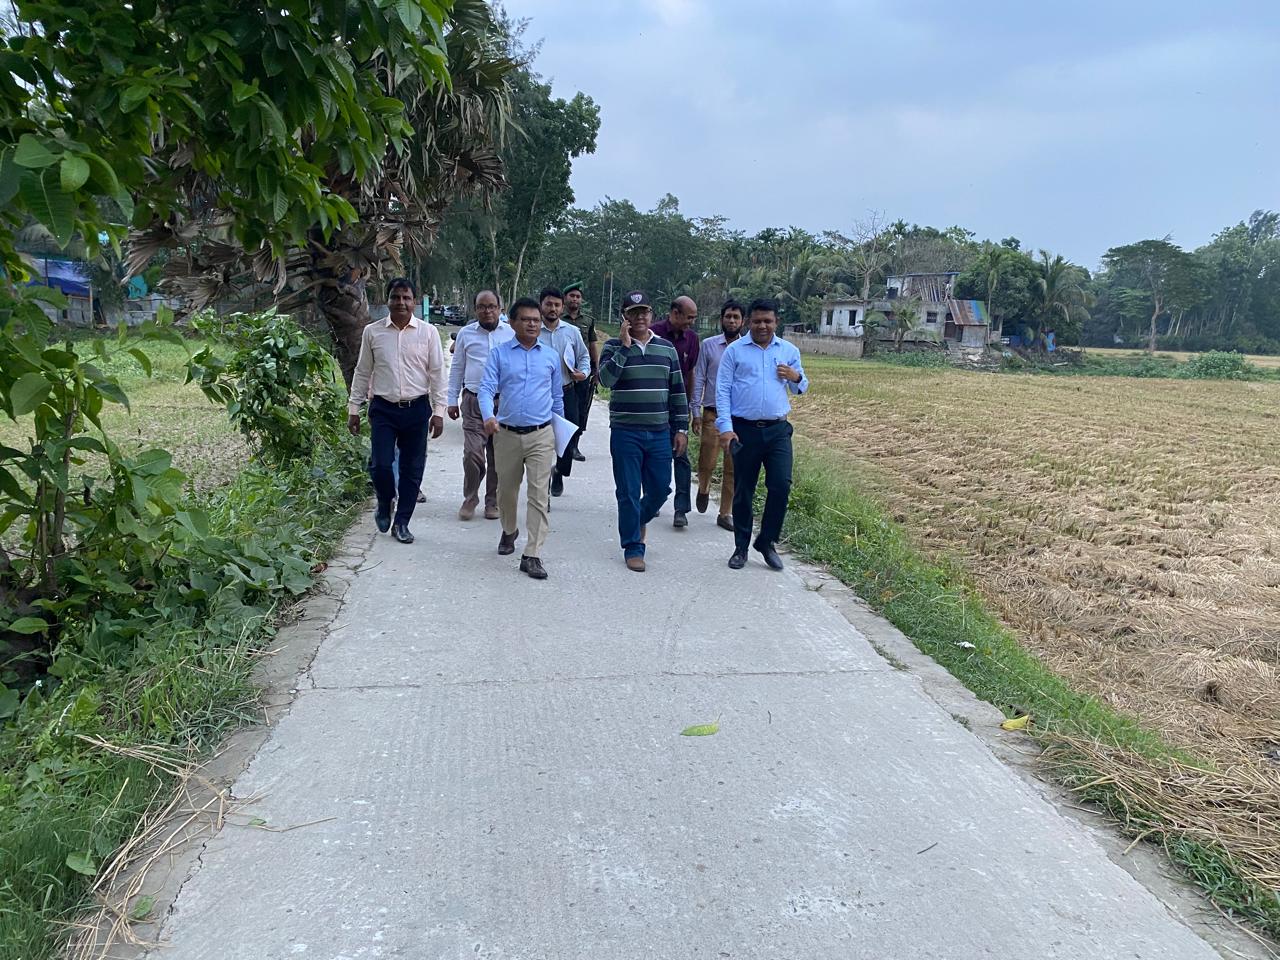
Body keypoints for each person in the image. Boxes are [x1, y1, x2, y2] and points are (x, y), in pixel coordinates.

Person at [347, 277, 446, 544]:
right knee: (380, 464)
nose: (401, 302)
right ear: (387, 300)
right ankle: (384, 501)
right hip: (383, 409)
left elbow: (437, 373)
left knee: (412, 469)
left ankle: (402, 523)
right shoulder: (373, 332)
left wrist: (438, 411)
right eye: (395, 297)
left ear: (414, 302)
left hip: (417, 409)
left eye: (406, 298)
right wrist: (354, 407)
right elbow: (362, 371)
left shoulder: (428, 333)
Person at [598, 291, 689, 573]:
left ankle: (636, 519)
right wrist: (625, 348)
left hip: (660, 431)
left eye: (644, 312)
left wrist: (681, 428)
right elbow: (605, 381)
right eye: (633, 312)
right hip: (625, 432)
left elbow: (677, 391)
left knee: (661, 488)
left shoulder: (666, 349)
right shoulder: (612, 346)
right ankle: (634, 547)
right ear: (623, 317)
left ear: (651, 315)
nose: (639, 317)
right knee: (627, 491)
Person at [715, 297, 808, 571]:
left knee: (781, 485)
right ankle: (741, 547)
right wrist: (726, 428)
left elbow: (800, 388)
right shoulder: (735, 351)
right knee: (743, 489)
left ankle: (766, 541)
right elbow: (722, 390)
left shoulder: (789, 350)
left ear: (776, 322)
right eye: (757, 321)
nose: (762, 326)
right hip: (744, 430)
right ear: (748, 322)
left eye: (768, 321)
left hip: (778, 430)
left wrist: (795, 377)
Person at [478, 298, 564, 580]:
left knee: (539, 494)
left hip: (541, 434)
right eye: (526, 319)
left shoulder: (550, 357)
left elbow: (557, 398)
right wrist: (488, 416)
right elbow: (486, 388)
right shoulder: (499, 355)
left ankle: (533, 554)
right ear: (512, 322)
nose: (532, 324)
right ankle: (509, 529)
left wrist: (561, 432)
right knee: (506, 491)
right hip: (507, 434)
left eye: (536, 320)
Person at [447, 290, 513, 521]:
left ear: (500, 308)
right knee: (473, 455)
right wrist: (451, 400)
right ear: (475, 309)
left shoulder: (511, 334)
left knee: (498, 457)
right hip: (473, 401)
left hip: (503, 403)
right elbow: (457, 368)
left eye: (492, 306)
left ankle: (492, 501)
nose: (487, 311)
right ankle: (470, 497)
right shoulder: (466, 334)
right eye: (482, 307)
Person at [690, 299, 745, 532]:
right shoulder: (709, 345)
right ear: (721, 319)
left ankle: (725, 512)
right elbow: (699, 377)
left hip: (738, 417)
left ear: (743, 321)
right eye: (728, 316)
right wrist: (695, 411)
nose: (732, 321)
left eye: (736, 317)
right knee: (707, 460)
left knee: (733, 467)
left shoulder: (747, 348)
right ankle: (703, 488)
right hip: (712, 413)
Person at [536, 286, 591, 498]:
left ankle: (559, 471)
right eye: (548, 304)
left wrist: (583, 372)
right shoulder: (532, 330)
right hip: (539, 395)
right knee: (540, 441)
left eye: (557, 305)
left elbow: (584, 356)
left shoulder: (571, 332)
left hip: (566, 392)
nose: (553, 308)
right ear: (541, 305)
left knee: (568, 438)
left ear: (562, 307)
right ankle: (541, 488)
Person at [650, 296, 700, 528]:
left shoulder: (692, 339)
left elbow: (690, 374)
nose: (691, 322)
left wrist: (688, 407)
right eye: (689, 317)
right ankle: (653, 499)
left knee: (681, 455)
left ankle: (681, 509)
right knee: (653, 456)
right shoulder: (653, 333)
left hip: (677, 406)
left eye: (694, 318)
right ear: (675, 313)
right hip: (654, 406)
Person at [562, 280, 598, 462]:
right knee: (563, 407)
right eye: (572, 296)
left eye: (578, 297)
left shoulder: (588, 321)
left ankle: (574, 445)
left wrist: (596, 370)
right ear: (565, 298)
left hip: (583, 372)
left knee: (581, 408)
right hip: (562, 372)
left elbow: (592, 345)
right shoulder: (559, 319)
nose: (575, 299)